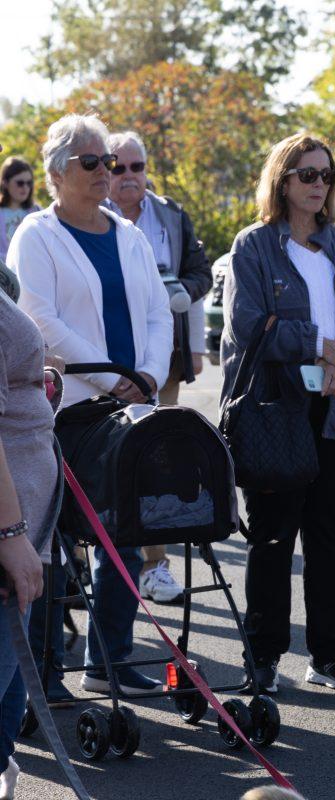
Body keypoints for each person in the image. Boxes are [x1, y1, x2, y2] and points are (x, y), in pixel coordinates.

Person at [221, 132, 335, 694]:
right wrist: (322, 346)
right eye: (308, 174)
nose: (320, 184)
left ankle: (330, 656)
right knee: (272, 536)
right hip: (276, 412)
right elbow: (249, 327)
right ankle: (262, 655)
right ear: (282, 180)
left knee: (327, 532)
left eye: (327, 175)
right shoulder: (253, 247)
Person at [10, 113, 172, 702]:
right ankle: (43, 672)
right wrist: (113, 378)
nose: (106, 170)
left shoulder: (129, 235)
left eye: (108, 160)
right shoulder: (36, 235)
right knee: (52, 542)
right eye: (91, 161)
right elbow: (40, 320)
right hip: (66, 412)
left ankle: (110, 659)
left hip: (130, 409)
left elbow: (157, 312)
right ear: (56, 172)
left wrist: (149, 375)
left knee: (124, 533)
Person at [105, 129, 213, 604]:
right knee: (104, 464)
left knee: (156, 457)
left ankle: (154, 566)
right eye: (118, 167)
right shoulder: (88, 218)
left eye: (138, 167)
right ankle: (99, 566)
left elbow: (201, 273)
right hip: (103, 361)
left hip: (162, 357)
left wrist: (178, 293)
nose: (128, 177)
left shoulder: (170, 213)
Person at [0, 147, 53, 799]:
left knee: (12, 677)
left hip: (22, 522)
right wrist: (11, 535)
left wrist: (36, 387)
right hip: (7, 529)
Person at [0, 157, 40, 262]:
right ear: (5, 183)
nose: (25, 187)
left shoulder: (38, 212)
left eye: (29, 183)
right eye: (20, 183)